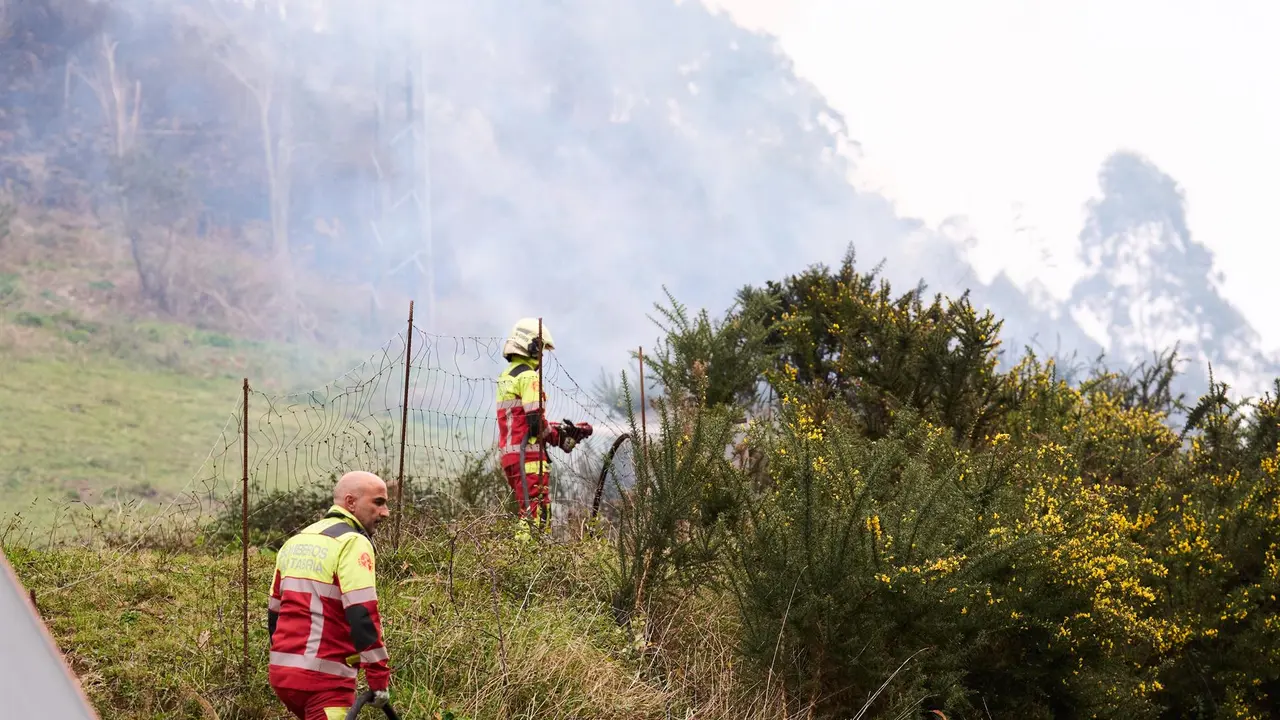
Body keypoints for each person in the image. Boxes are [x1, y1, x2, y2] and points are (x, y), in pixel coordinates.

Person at [266, 471, 393, 720]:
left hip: (283, 675)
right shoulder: (352, 542)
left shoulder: (296, 541)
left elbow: (274, 614)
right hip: (325, 681)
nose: (385, 512)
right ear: (351, 502)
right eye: (378, 502)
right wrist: (378, 677)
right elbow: (362, 613)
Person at [495, 318, 591, 530]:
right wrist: (559, 437)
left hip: (511, 457)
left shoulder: (507, 377)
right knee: (537, 517)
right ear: (532, 346)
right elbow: (536, 422)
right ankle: (528, 559)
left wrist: (559, 430)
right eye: (541, 350)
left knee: (527, 512)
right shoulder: (529, 377)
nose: (542, 356)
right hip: (528, 457)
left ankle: (525, 558)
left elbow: (524, 419)